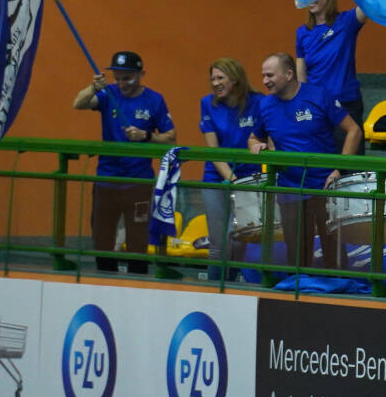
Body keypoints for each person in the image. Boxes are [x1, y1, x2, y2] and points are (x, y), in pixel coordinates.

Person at [249, 52, 364, 271]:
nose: (264, 81)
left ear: (289, 74)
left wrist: (340, 169)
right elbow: (254, 137)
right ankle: (298, 290)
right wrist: (255, 145)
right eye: (263, 75)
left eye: (270, 75)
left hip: (325, 186)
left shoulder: (319, 96)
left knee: (334, 256)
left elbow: (354, 131)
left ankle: (338, 289)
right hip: (289, 189)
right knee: (297, 256)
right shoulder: (265, 105)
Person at [71, 50, 176, 274]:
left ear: (141, 74)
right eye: (117, 78)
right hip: (106, 178)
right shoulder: (108, 94)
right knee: (102, 239)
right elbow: (78, 104)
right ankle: (104, 280)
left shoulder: (154, 100)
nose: (122, 84)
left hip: (138, 182)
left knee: (138, 241)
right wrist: (94, 87)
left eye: (127, 78)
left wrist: (145, 136)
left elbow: (170, 137)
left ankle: (137, 281)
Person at [197, 57, 263, 273]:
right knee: (219, 243)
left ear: (235, 79)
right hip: (216, 178)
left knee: (240, 241)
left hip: (250, 179)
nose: (215, 83)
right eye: (212, 79)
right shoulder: (207, 103)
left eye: (220, 78)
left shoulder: (259, 102)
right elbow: (213, 151)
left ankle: (233, 286)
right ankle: (214, 288)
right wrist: (234, 181)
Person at [296, 0, 369, 127]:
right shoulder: (302, 32)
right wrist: (304, 102)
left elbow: (368, 3)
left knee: (349, 141)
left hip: (346, 103)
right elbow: (301, 74)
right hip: (317, 106)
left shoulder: (346, 22)